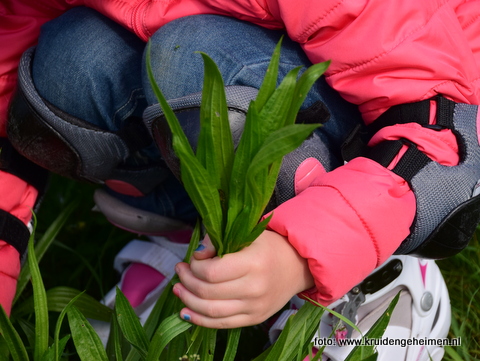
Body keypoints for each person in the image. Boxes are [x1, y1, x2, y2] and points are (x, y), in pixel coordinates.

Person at [1, 2, 479, 359]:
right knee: (70, 60)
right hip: (250, 52)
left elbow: (440, 143)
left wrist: (300, 255)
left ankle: (372, 281)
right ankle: (198, 244)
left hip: (403, 135)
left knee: (190, 60)